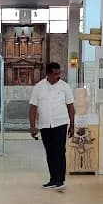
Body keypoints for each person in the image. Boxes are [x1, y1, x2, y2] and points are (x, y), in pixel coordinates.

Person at [29, 62, 75, 191]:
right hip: (45, 125)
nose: (58, 76)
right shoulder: (39, 87)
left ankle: (60, 180)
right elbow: (33, 108)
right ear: (48, 74)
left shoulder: (65, 87)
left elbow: (71, 107)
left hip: (60, 124)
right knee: (50, 152)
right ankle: (53, 179)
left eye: (59, 73)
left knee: (60, 151)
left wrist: (72, 125)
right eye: (55, 74)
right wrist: (33, 126)